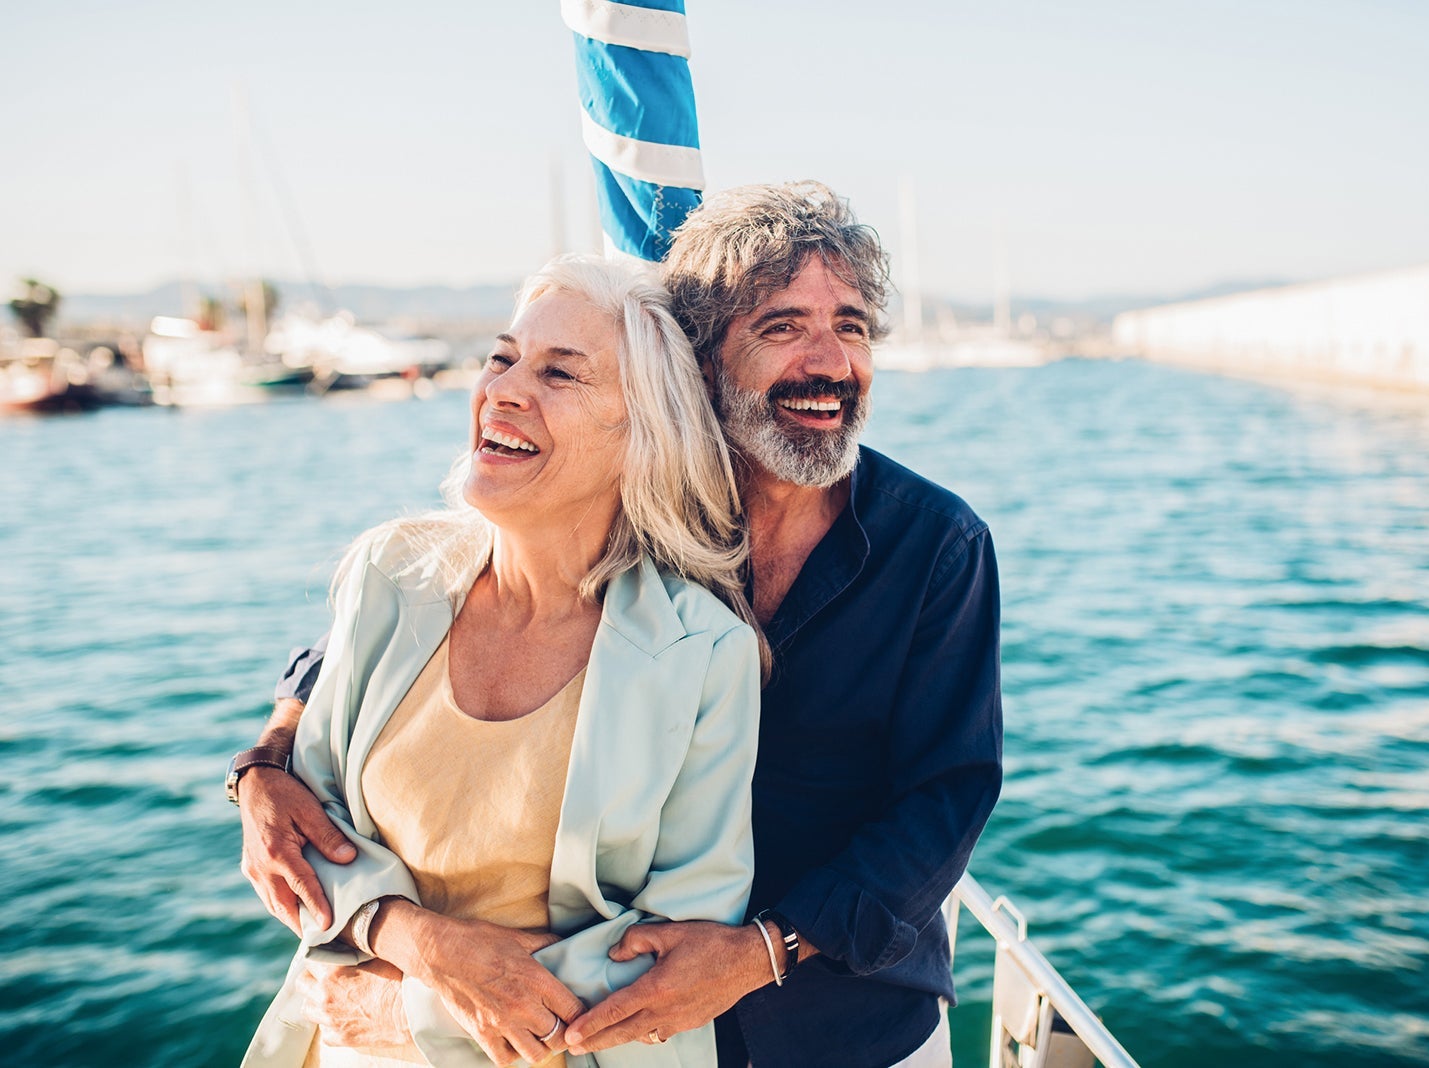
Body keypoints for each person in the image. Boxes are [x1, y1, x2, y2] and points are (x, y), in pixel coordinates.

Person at [237, 182, 1004, 1067]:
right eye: (783, 327)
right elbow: (401, 625)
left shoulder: (940, 545)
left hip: (844, 1021)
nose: (828, 360)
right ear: (703, 364)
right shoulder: (622, 502)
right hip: (613, 1034)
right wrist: (264, 760)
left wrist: (766, 950)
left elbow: (944, 800)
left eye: (854, 326)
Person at [235, 255, 764, 1068]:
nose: (506, 390)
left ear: (641, 434)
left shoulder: (704, 656)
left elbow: (674, 955)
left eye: (561, 373)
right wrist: (419, 942)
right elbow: (301, 834)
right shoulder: (389, 573)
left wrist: (418, 1013)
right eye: (502, 357)